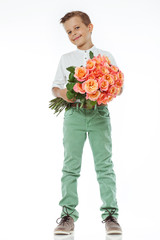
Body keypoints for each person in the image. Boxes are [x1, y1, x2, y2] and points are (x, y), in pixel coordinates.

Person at [51, 11, 123, 235]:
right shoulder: (66, 59)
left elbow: (118, 86)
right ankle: (67, 215)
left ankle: (111, 215)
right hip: (74, 115)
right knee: (70, 167)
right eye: (69, 32)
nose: (73, 34)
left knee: (104, 166)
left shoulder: (105, 56)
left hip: (99, 114)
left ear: (89, 27)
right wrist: (64, 93)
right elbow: (55, 86)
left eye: (77, 28)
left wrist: (111, 88)